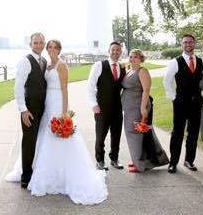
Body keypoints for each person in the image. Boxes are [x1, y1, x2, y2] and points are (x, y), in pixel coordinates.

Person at [7, 40, 108, 205]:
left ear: (60, 50)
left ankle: (62, 175)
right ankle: (37, 170)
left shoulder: (61, 65)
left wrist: (65, 112)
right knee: (43, 136)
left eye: (55, 47)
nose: (52, 49)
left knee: (59, 138)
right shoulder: (46, 64)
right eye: (50, 47)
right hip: (46, 105)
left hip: (58, 103)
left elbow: (65, 89)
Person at [122, 49, 168, 173]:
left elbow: (146, 90)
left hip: (138, 106)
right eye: (131, 57)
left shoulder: (142, 71)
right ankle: (138, 160)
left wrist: (143, 108)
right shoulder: (130, 71)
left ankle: (140, 164)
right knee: (133, 133)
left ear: (141, 59)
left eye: (135, 57)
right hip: (129, 107)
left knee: (136, 133)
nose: (132, 59)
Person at [163, 34, 203, 173]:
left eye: (191, 42)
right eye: (185, 42)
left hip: (197, 102)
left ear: (194, 44)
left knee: (193, 132)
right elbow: (166, 81)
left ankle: (189, 161)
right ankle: (173, 162)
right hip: (180, 102)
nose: (188, 44)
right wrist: (173, 97)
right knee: (178, 132)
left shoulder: (200, 61)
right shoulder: (175, 61)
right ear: (182, 44)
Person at [13, 32, 48, 189]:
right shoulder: (25, 61)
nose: (38, 45)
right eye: (35, 43)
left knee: (40, 140)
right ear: (30, 44)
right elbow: (18, 86)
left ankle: (38, 170)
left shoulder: (44, 61)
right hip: (30, 109)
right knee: (29, 141)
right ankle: (26, 176)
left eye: (41, 42)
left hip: (43, 107)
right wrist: (23, 110)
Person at [86, 41, 126, 170]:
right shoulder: (99, 65)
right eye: (113, 50)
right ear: (108, 51)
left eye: (118, 50)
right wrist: (94, 105)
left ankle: (114, 159)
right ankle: (100, 161)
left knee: (116, 134)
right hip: (102, 107)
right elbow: (90, 86)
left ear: (121, 52)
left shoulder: (122, 67)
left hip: (117, 107)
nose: (115, 52)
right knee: (100, 135)